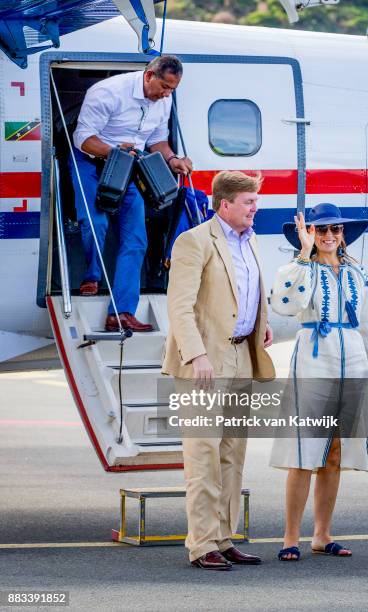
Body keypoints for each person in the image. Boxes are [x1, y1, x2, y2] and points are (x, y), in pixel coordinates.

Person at [162, 171, 275, 570]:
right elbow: (180, 306)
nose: (254, 208)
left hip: (240, 355)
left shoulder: (251, 240)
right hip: (204, 363)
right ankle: (202, 543)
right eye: (248, 202)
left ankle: (224, 537)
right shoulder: (193, 241)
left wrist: (260, 323)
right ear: (225, 204)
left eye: (255, 201)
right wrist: (196, 356)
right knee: (204, 456)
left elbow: (245, 291)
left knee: (232, 453)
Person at [270, 203, 368, 561]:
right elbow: (285, 304)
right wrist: (305, 256)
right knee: (304, 451)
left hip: (352, 358)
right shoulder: (298, 268)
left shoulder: (357, 273)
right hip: (314, 358)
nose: (328, 236)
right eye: (320, 230)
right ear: (309, 234)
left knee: (335, 452)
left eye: (334, 230)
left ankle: (322, 535)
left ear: (343, 235)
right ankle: (290, 537)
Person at [71, 55, 192, 332]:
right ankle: (91, 275)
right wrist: (114, 151)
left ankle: (122, 312)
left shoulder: (164, 100)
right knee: (95, 223)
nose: (167, 94)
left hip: (129, 163)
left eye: (172, 89)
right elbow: (83, 138)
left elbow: (156, 140)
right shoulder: (107, 93)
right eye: (164, 86)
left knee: (136, 237)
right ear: (149, 76)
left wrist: (173, 159)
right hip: (90, 159)